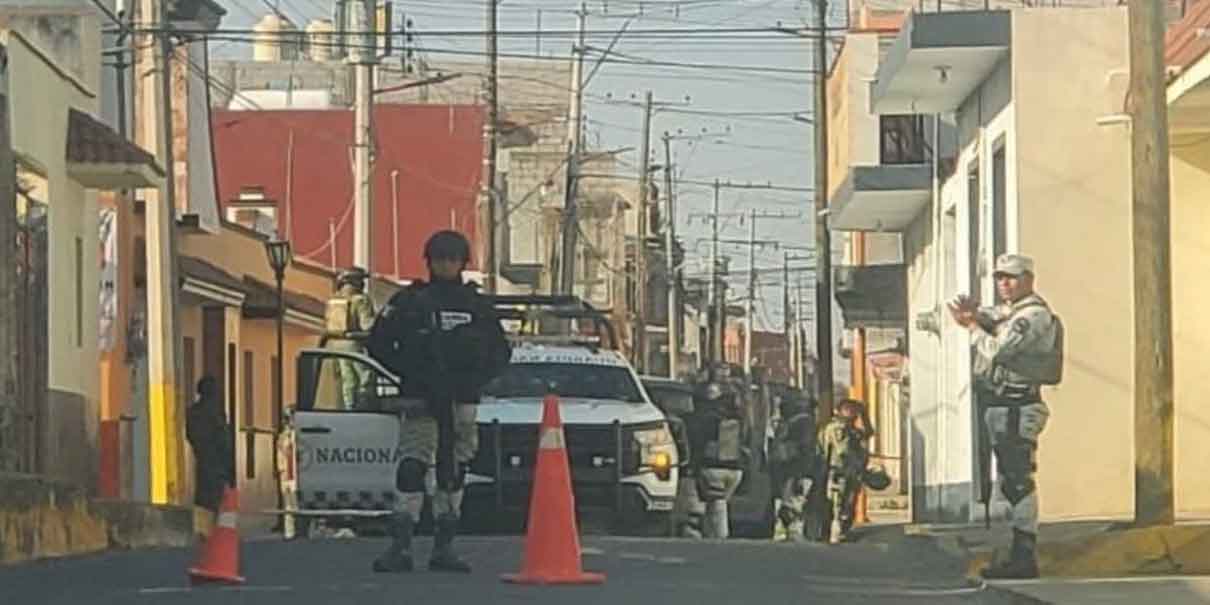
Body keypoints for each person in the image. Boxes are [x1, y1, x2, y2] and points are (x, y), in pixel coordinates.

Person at [366, 230, 512, 574]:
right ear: (429, 261)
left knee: (455, 469)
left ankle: (444, 546)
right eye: (439, 258)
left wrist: (473, 381)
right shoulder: (410, 301)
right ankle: (401, 546)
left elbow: (500, 352)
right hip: (421, 397)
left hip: (461, 400)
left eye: (452, 258)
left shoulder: (477, 305)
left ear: (463, 262)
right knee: (412, 465)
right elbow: (379, 343)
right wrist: (411, 375)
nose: (445, 265)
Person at [948, 253, 1062, 580]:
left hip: (1019, 405)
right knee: (1009, 482)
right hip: (1001, 405)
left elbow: (999, 348)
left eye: (1012, 277)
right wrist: (974, 316)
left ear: (1028, 279)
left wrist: (972, 326)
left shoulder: (1034, 316)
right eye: (1000, 278)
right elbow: (992, 318)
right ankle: (1015, 552)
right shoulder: (1011, 313)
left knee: (1018, 480)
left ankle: (1025, 555)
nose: (1005, 284)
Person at [683, 367, 746, 539]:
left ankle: (704, 535)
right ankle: (714, 537)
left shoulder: (702, 416)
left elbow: (696, 445)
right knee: (718, 505)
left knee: (706, 505)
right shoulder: (738, 418)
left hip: (711, 467)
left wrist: (692, 467)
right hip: (735, 469)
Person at [186, 376, 234, 540]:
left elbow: (191, 435)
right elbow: (223, 438)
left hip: (203, 458)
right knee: (216, 497)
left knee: (204, 497)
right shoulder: (215, 412)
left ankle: (203, 531)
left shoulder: (193, 412)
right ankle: (215, 531)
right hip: (216, 460)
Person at [820, 398, 874, 544]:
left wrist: (865, 414)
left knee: (849, 503)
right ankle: (836, 531)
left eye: (854, 411)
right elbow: (843, 450)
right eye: (849, 410)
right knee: (839, 503)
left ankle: (843, 530)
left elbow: (869, 432)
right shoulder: (837, 428)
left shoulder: (851, 429)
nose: (853, 413)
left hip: (851, 473)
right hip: (839, 472)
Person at [324, 267, 376, 410]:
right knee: (366, 377)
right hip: (354, 344)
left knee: (348, 380)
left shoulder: (334, 300)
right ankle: (363, 408)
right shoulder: (361, 300)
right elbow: (367, 326)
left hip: (336, 346)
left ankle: (349, 407)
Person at [770, 389, 817, 542]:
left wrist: (798, 473)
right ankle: (787, 533)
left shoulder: (803, 423)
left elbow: (803, 450)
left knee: (793, 504)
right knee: (787, 503)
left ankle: (794, 533)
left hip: (797, 471)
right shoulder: (790, 423)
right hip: (788, 471)